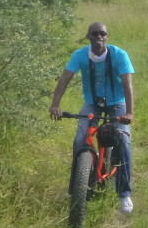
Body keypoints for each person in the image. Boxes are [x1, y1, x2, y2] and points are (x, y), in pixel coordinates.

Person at [49, 21, 135, 213]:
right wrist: (55, 105)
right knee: (80, 140)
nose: (99, 38)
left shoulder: (120, 55)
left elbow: (128, 84)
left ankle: (124, 194)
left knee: (123, 141)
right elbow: (64, 79)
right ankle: (76, 190)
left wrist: (129, 112)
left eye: (102, 34)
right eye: (94, 34)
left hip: (117, 102)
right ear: (88, 37)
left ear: (107, 37)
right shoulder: (80, 55)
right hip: (92, 102)